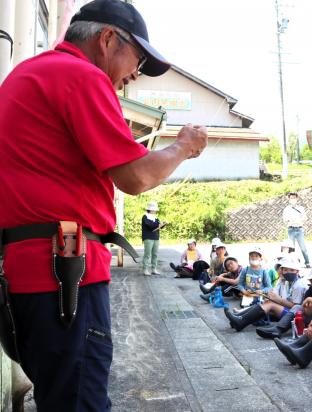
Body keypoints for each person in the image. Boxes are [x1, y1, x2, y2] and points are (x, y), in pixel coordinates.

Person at [0, 0, 208, 409]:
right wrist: (183, 146)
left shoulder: (26, 74)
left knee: (59, 397)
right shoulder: (80, 76)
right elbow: (136, 176)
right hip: (64, 276)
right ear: (107, 38)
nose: (135, 75)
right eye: (138, 59)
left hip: (26, 275)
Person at [257, 266, 312, 339]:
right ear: (311, 281)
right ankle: (278, 329)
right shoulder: (310, 291)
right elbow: (307, 311)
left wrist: (311, 300)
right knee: (297, 307)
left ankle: (311, 334)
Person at [223, 248, 272, 330]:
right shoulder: (245, 270)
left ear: (260, 258)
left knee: (256, 309)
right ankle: (237, 317)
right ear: (249, 258)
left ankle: (237, 316)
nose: (254, 258)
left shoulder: (264, 271)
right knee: (250, 309)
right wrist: (244, 291)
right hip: (247, 297)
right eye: (252, 256)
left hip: (260, 297)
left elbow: (269, 287)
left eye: (256, 256)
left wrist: (262, 291)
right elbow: (240, 284)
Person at [282, 192, 311, 268]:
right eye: (291, 198)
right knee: (291, 247)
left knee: (303, 247)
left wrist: (299, 220)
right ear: (289, 199)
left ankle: (307, 262)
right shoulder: (286, 209)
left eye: (294, 198)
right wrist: (291, 220)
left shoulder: (301, 208)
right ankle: (291, 263)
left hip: (299, 229)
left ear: (297, 198)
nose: (293, 199)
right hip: (291, 229)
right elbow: (285, 220)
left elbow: (305, 218)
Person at [141, 200, 166, 275]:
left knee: (155, 254)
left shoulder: (156, 217)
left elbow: (159, 227)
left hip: (156, 237)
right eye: (154, 209)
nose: (155, 211)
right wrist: (158, 224)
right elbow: (150, 226)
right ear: (150, 209)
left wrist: (163, 224)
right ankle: (145, 269)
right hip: (148, 237)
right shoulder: (145, 216)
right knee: (147, 254)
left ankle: (153, 269)